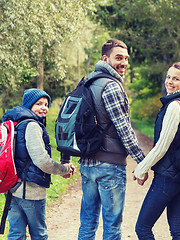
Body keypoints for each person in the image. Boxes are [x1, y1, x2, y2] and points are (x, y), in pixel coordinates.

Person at [60, 39, 146, 240]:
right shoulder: (112, 86)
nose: (123, 63)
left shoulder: (86, 82)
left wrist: (66, 158)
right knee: (112, 226)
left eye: (126, 58)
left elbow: (68, 122)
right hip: (110, 166)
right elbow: (124, 129)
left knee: (88, 222)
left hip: (88, 165)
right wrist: (143, 162)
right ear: (105, 59)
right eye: (118, 58)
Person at [133, 62, 180, 239]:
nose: (169, 81)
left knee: (143, 228)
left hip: (167, 178)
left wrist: (141, 168)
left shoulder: (175, 106)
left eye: (176, 78)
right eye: (168, 77)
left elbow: (162, 146)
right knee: (177, 230)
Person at [2, 88, 75, 240]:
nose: (44, 108)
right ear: (29, 105)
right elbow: (41, 160)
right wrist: (64, 169)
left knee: (16, 234)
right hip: (31, 191)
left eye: (46, 104)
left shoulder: (15, 123)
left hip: (11, 188)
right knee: (39, 234)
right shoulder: (32, 125)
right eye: (39, 103)